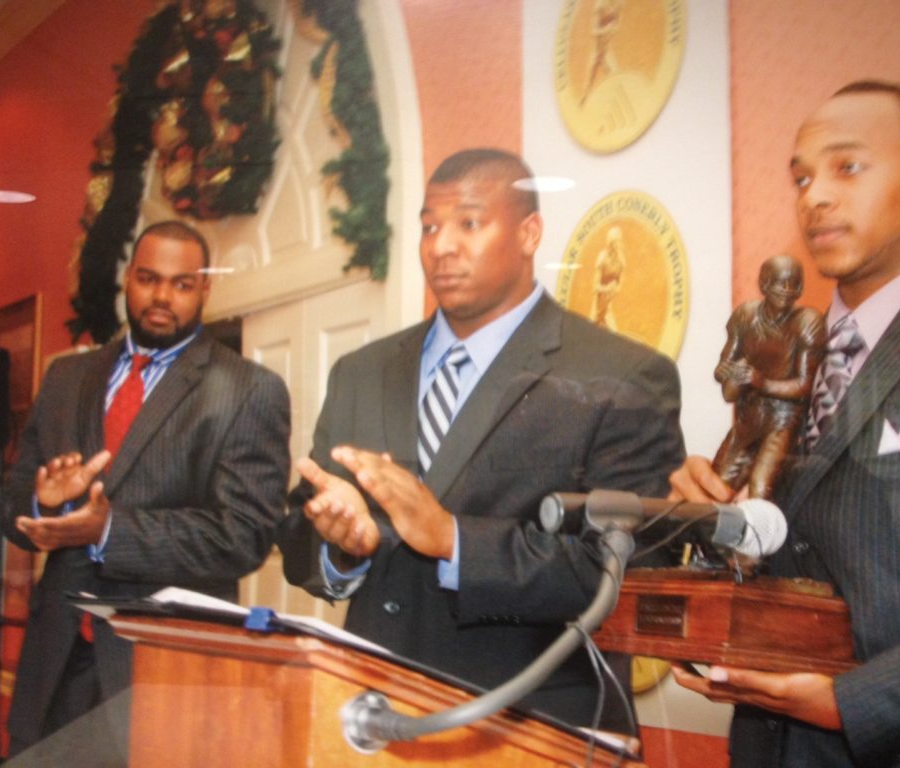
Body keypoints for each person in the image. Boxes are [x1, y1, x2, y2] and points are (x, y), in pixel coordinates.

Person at [277, 148, 685, 733]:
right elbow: (298, 531)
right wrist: (341, 549)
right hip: (373, 722)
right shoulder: (361, 372)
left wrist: (454, 540)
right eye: (429, 227)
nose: (441, 246)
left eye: (468, 224)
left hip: (530, 730)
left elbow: (640, 576)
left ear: (529, 233)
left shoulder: (620, 376)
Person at [669, 81, 900, 766]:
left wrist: (858, 703)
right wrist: (703, 528)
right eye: (801, 177)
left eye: (847, 167)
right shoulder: (788, 348)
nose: (814, 195)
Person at [0, 220, 291, 762]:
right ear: (127, 280)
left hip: (161, 677)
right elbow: (10, 502)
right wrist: (43, 502)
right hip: (51, 671)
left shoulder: (248, 391)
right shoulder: (67, 378)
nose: (162, 297)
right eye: (149, 279)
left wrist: (109, 530)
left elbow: (243, 536)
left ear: (205, 289)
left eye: (182, 285)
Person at [711, 254, 824, 498]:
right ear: (763, 284)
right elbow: (724, 364)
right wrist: (727, 372)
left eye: (793, 283)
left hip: (783, 419)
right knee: (716, 485)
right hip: (749, 414)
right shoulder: (745, 316)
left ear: (801, 288)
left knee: (760, 487)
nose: (786, 290)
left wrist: (761, 382)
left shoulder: (807, 322)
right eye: (778, 282)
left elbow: (805, 385)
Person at [590, 225, 627, 332]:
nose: (618, 244)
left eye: (619, 241)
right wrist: (607, 288)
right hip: (598, 302)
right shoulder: (602, 257)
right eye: (615, 241)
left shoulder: (621, 261)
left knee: (614, 333)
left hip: (608, 304)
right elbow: (595, 286)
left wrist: (614, 289)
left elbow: (619, 286)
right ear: (610, 243)